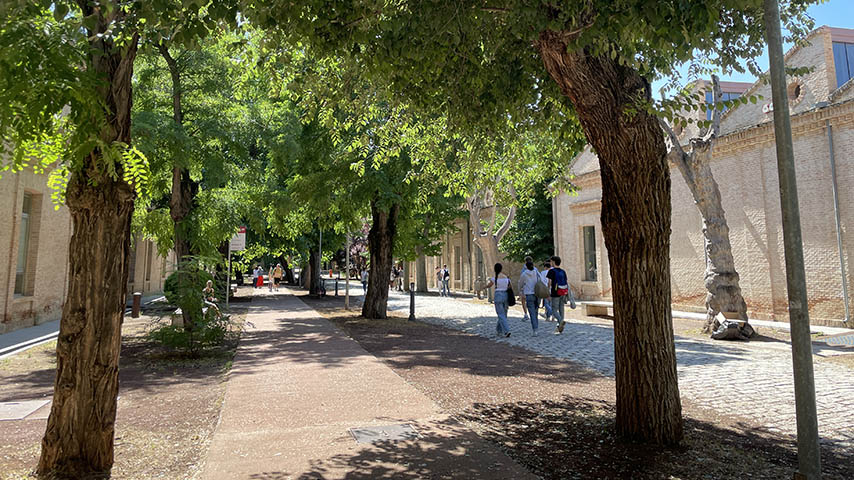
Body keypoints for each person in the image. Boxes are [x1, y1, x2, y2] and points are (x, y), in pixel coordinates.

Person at [546, 256, 575, 334]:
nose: (550, 263)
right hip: (563, 291)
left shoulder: (551, 271)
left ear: (554, 262)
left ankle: (561, 321)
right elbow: (565, 281)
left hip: (555, 292)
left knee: (554, 309)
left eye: (551, 261)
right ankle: (559, 327)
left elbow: (549, 283)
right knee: (561, 309)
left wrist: (548, 292)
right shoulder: (563, 271)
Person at [483, 263, 511, 337]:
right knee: (504, 314)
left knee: (500, 314)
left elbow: (489, 285)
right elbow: (509, 287)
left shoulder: (495, 278)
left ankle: (506, 330)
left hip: (498, 295)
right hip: (505, 295)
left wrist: (484, 287)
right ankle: (499, 330)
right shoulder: (506, 278)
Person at [518, 256, 540, 336]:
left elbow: (520, 283)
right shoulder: (536, 271)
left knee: (532, 312)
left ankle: (535, 329)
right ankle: (536, 326)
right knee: (536, 310)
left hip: (529, 294)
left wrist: (520, 290)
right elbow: (540, 279)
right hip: (537, 293)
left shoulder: (524, 274)